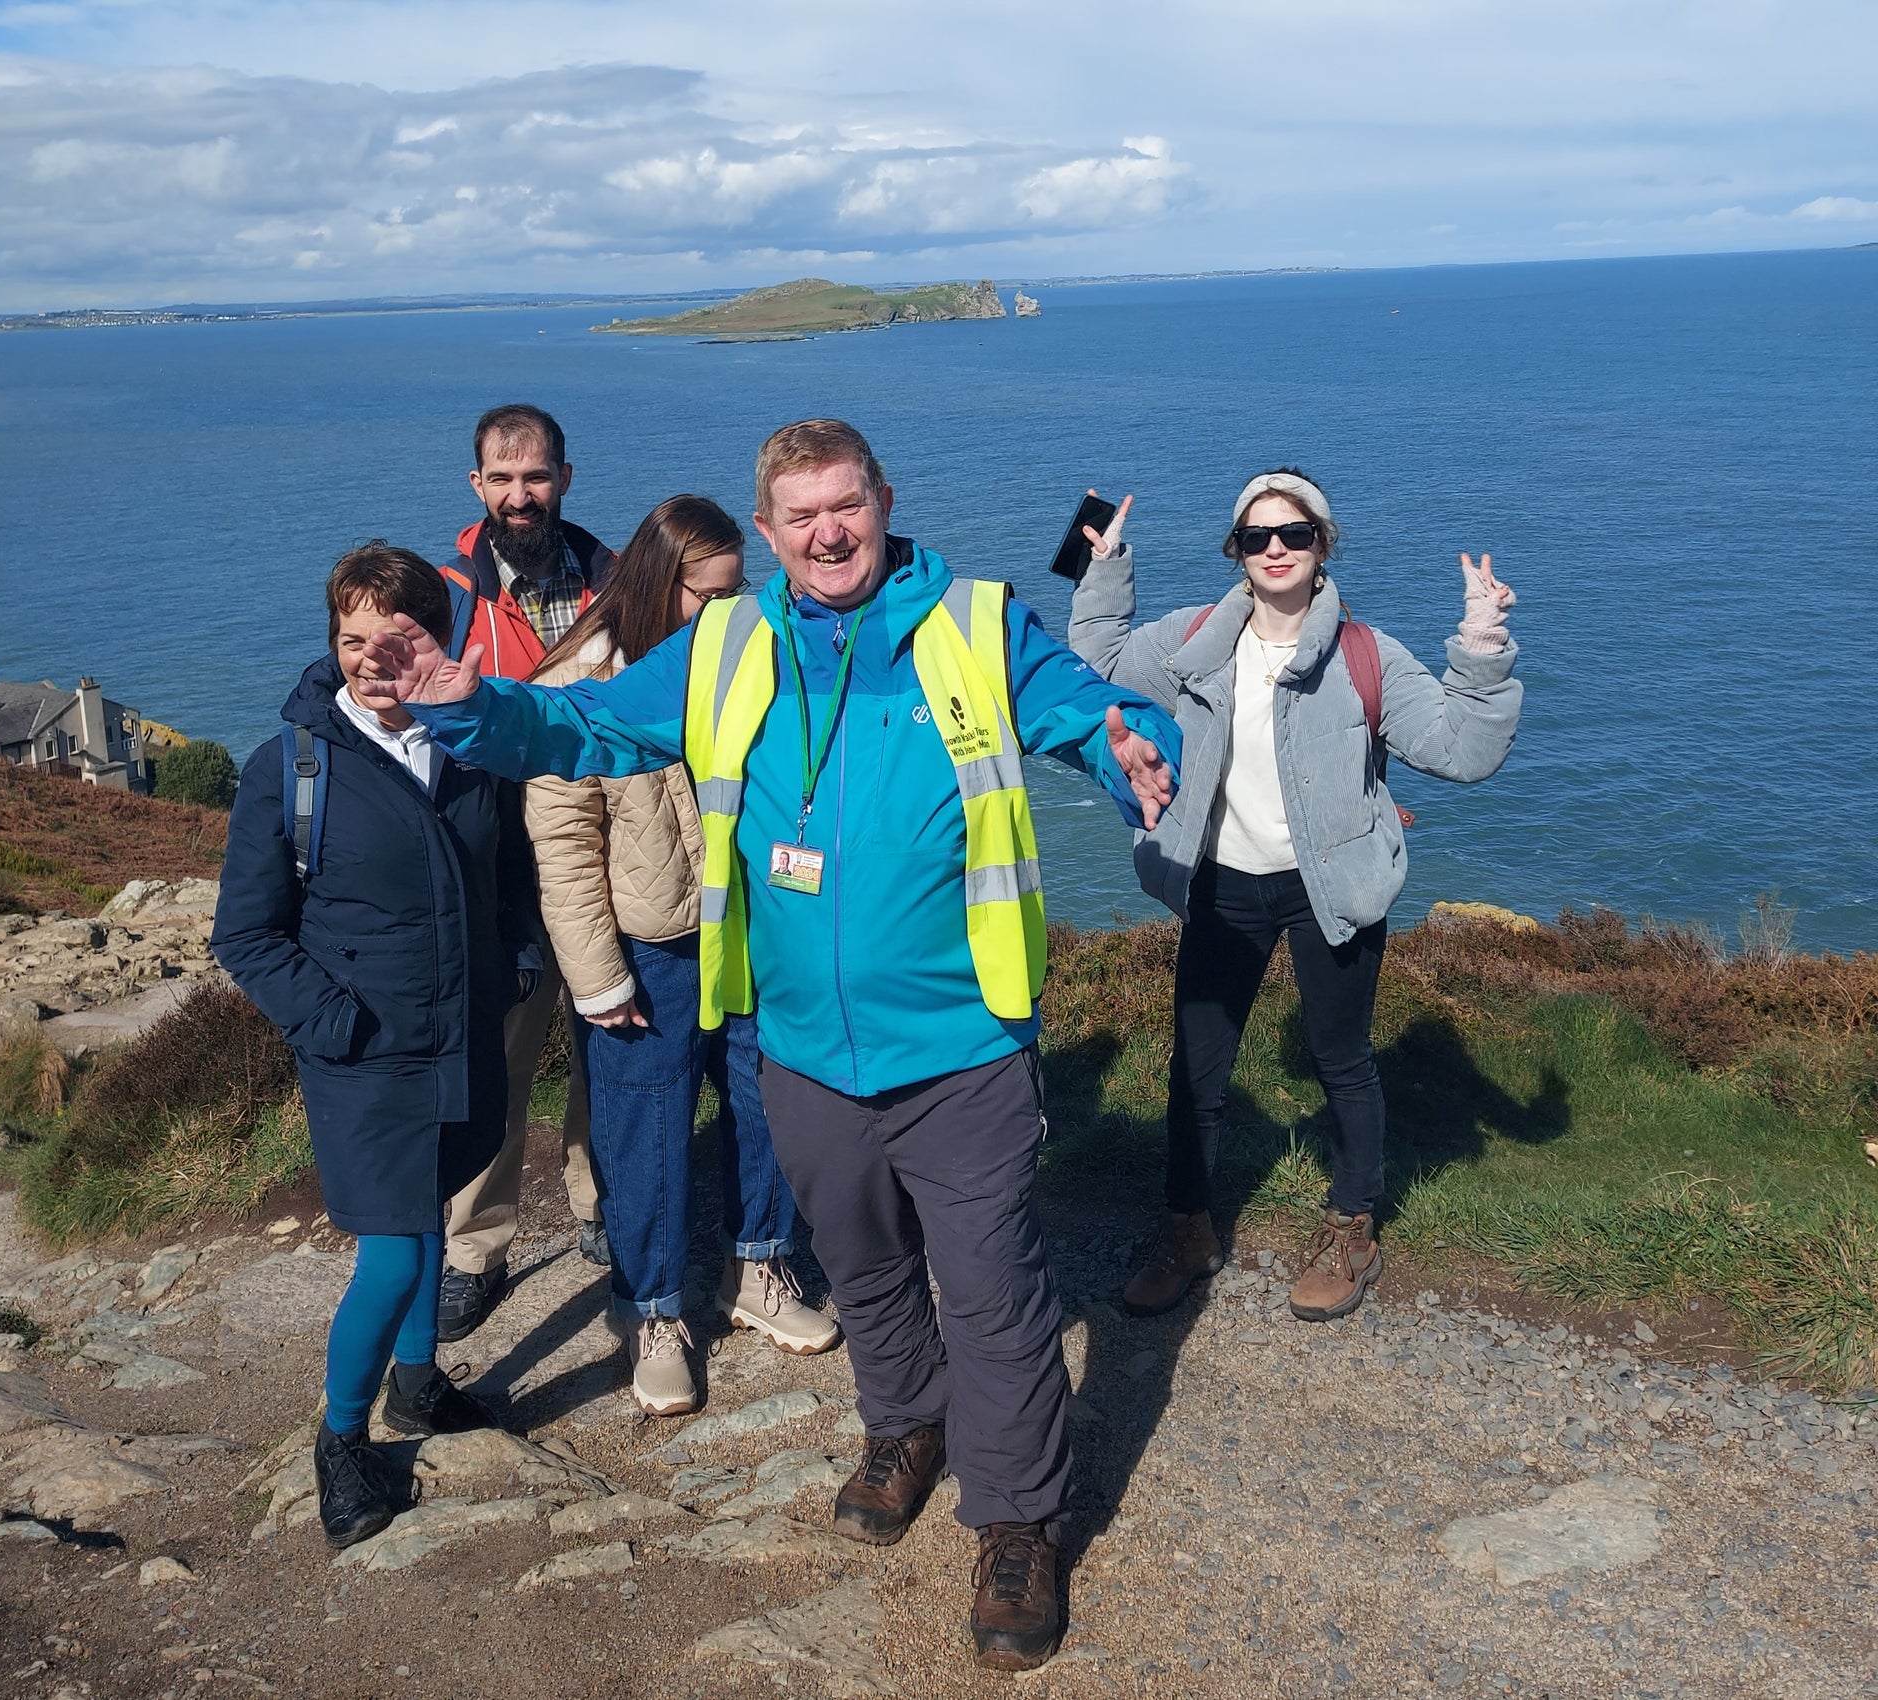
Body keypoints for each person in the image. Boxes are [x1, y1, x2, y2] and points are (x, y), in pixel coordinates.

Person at [357, 419, 1182, 1673]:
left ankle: (1016, 1522)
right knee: (861, 1266)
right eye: (798, 517)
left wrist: (1139, 750)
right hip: (797, 1047)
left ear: (883, 499)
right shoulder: (726, 642)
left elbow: (1093, 710)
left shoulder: (973, 624)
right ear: (773, 526)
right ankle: (906, 1426)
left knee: (999, 1292)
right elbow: (587, 731)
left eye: (844, 506)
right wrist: (474, 706)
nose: (827, 533)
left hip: (960, 1041)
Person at [1067, 469, 1522, 1321]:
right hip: (1219, 885)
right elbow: (1090, 665)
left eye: (1295, 534)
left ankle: (1353, 1227)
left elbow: (1463, 749)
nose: (1275, 549)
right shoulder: (1192, 638)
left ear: (1322, 546)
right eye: (1256, 536)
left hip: (1330, 889)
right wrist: (1105, 565)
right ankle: (1188, 1231)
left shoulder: (1365, 655)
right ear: (1237, 551)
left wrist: (1482, 644)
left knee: (1342, 1063)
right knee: (1196, 1075)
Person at [212, 545, 538, 1548]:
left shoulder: (472, 743)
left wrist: (518, 962)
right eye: (350, 639)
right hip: (363, 1054)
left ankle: (417, 1384)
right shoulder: (292, 769)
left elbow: (510, 874)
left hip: (462, 1029)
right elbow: (246, 931)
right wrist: (333, 1022)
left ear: (435, 639)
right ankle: (342, 1439)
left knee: (438, 1208)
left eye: (394, 637)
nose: (370, 659)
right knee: (396, 1254)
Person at [524, 494, 839, 1417]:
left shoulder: (746, 660)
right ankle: (650, 1310)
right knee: (644, 1134)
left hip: (746, 926)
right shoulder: (580, 686)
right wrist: (596, 977)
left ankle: (760, 1268)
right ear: (665, 585)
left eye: (742, 588)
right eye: (715, 592)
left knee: (765, 1104)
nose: (736, 608)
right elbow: (565, 843)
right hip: (645, 946)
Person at [434, 403, 617, 1342]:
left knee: (609, 1041)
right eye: (501, 480)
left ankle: (600, 1204)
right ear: (477, 487)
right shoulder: (444, 594)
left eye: (535, 477)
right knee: (497, 1066)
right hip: (497, 868)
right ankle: (476, 1249)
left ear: (565, 478)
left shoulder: (621, 582)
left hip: (602, 853)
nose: (520, 496)